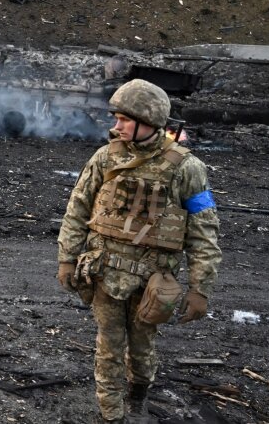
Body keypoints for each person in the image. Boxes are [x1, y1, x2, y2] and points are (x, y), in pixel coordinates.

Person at [56, 79, 222, 423]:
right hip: (104, 272)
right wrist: (67, 257)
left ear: (149, 122)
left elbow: (204, 230)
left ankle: (138, 392)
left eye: (124, 120)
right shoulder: (106, 157)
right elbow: (78, 207)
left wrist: (199, 288)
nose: (116, 126)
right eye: (116, 118)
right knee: (108, 347)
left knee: (143, 347)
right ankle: (111, 414)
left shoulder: (188, 168)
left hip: (153, 279)